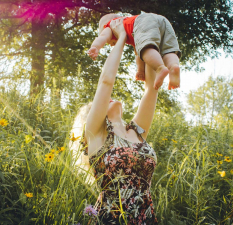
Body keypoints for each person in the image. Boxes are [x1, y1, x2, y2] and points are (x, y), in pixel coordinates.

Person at [81, 18, 159, 224]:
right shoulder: (96, 133)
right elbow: (106, 81)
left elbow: (152, 88)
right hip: (111, 219)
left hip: (145, 218)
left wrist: (142, 40)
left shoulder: (137, 132)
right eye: (105, 100)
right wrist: (121, 38)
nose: (110, 97)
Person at [87, 13, 181, 91]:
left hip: (143, 20)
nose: (111, 45)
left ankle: (160, 67)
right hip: (162, 20)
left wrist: (95, 47)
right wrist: (140, 70)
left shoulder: (111, 25)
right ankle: (173, 66)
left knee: (146, 50)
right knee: (168, 50)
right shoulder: (132, 29)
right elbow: (138, 54)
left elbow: (103, 36)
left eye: (110, 43)